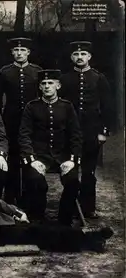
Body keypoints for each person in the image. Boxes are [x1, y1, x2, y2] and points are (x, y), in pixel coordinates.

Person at [19, 70, 82, 225]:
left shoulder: (67, 107)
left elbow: (76, 135)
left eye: (51, 83)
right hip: (39, 156)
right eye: (44, 84)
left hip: (63, 156)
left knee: (73, 181)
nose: (47, 87)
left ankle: (64, 219)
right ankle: (37, 218)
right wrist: (32, 159)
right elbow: (24, 135)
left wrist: (72, 160)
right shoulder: (31, 107)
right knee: (36, 181)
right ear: (40, 87)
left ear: (58, 86)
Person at [60, 41, 112, 219]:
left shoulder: (99, 78)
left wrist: (103, 131)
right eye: (76, 54)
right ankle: (70, 206)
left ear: (89, 57)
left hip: (91, 132)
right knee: (71, 170)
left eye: (83, 54)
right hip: (69, 132)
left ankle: (88, 207)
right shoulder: (64, 79)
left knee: (89, 172)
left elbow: (107, 106)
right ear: (71, 57)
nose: (79, 57)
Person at [0, 38, 43, 205]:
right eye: (16, 50)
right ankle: (10, 196)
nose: (19, 53)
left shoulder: (37, 71)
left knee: (29, 156)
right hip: (11, 120)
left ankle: (28, 197)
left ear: (28, 52)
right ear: (12, 53)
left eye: (23, 50)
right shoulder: (5, 72)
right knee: (12, 158)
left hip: (33, 121)